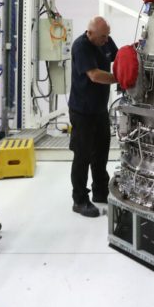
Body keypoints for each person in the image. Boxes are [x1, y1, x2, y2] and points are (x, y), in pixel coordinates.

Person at [67, 16, 118, 217]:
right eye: (103, 37)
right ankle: (79, 200)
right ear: (90, 34)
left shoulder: (105, 40)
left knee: (101, 153)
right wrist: (120, 78)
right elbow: (95, 75)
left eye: (107, 36)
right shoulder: (81, 46)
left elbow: (118, 57)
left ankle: (100, 191)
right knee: (83, 156)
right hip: (82, 111)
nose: (106, 40)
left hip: (99, 109)